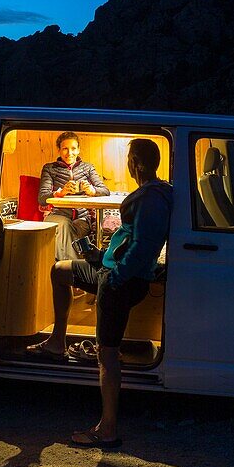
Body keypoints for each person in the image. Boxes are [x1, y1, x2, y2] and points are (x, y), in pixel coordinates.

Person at [27, 138, 173, 450]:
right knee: (60, 270)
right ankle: (56, 342)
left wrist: (114, 277)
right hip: (110, 270)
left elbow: (142, 248)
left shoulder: (151, 199)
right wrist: (100, 255)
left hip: (121, 282)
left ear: (135, 162)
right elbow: (128, 240)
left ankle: (107, 430)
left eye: (130, 158)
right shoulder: (153, 193)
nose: (128, 163)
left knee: (107, 354)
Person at [38, 132, 109, 261]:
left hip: (82, 218)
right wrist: (59, 193)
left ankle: (65, 270)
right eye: (65, 148)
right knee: (62, 224)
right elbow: (42, 198)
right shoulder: (49, 168)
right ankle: (75, 269)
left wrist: (92, 191)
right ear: (59, 150)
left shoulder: (87, 168)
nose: (69, 153)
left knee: (62, 233)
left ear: (78, 149)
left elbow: (105, 190)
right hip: (58, 215)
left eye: (73, 148)